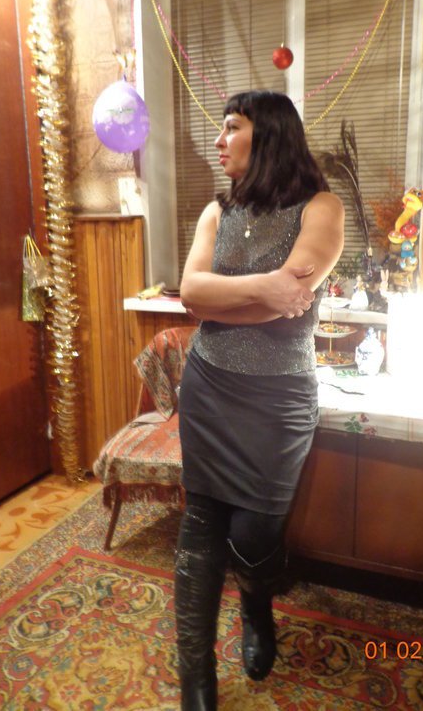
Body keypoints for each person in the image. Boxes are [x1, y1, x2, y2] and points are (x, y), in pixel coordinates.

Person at [175, 90, 345, 710]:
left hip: (278, 400)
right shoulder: (215, 212)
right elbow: (191, 294)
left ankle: (255, 605)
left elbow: (290, 298)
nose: (219, 141)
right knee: (200, 527)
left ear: (268, 133)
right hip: (209, 388)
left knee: (255, 532)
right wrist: (262, 289)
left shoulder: (321, 207)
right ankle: (196, 676)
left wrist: (233, 297)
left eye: (231, 128)